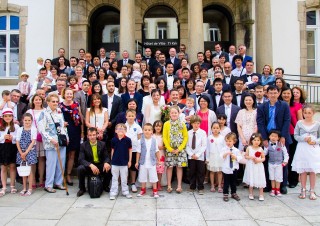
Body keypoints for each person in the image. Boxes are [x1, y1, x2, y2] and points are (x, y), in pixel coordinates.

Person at [257, 85, 291, 194]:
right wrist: (264, 138)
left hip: (281, 136)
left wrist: (283, 136)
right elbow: (260, 122)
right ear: (267, 94)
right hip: (267, 136)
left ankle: (282, 185)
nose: (273, 95)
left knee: (282, 162)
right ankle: (268, 184)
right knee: (267, 161)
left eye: (275, 92)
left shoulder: (284, 105)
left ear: (278, 93)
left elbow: (287, 120)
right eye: (270, 93)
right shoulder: (262, 107)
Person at [38, 94, 68, 193]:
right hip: (51, 143)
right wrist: (50, 139)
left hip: (61, 141)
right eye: (53, 101)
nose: (55, 103)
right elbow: (42, 129)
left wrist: (66, 137)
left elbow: (63, 126)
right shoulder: (44, 113)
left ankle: (58, 182)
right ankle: (49, 184)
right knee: (51, 164)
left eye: (56, 101)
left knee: (61, 163)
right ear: (48, 102)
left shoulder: (59, 111)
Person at [292, 105, 320, 200]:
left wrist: (315, 141)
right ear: (303, 113)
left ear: (313, 113)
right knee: (303, 170)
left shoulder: (317, 124)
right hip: (302, 148)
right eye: (305, 113)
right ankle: (303, 189)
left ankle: (312, 190)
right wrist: (303, 138)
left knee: (312, 171)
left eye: (309, 113)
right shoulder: (299, 123)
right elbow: (296, 135)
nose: (307, 115)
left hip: (313, 148)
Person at [77, 127, 111, 197]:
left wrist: (106, 162)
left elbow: (107, 157)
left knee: (109, 167)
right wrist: (90, 165)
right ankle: (82, 188)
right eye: (90, 135)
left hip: (99, 165)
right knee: (80, 168)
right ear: (87, 136)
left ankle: (105, 186)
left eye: (93, 135)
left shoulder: (102, 144)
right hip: (89, 167)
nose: (92, 137)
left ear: (96, 135)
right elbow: (81, 159)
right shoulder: (83, 145)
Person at [59, 88, 83, 185]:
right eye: (67, 94)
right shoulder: (60, 106)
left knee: (72, 154)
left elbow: (80, 118)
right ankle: (60, 175)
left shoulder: (76, 104)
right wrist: (61, 123)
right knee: (63, 154)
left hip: (75, 130)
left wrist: (82, 131)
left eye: (70, 94)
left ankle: (68, 174)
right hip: (63, 131)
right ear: (64, 94)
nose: (69, 95)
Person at [280, 87, 303, 188]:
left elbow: (300, 121)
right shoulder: (279, 105)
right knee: (283, 158)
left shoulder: (297, 106)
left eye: (288, 93)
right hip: (282, 135)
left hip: (293, 134)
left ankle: (293, 180)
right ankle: (282, 180)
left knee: (293, 157)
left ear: (291, 95)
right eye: (284, 93)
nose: (286, 95)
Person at [163, 106, 188, 193]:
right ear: (169, 114)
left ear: (178, 113)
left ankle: (179, 186)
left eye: (175, 113)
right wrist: (169, 148)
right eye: (172, 113)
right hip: (170, 150)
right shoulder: (166, 124)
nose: (174, 114)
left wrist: (179, 148)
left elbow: (185, 137)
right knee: (169, 167)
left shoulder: (182, 124)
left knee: (179, 167)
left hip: (180, 150)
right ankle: (169, 185)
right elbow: (165, 138)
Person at [135, 123, 161, 198]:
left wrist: (159, 160)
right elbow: (138, 152)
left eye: (149, 130)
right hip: (143, 162)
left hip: (152, 162)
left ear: (152, 131)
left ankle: (155, 191)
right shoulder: (140, 141)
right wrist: (137, 162)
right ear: (143, 131)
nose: (147, 131)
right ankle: (143, 189)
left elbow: (157, 150)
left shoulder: (154, 140)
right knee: (143, 176)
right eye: (145, 130)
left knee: (153, 177)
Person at [26, 94, 46, 188]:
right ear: (33, 101)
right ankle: (33, 179)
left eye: (39, 99)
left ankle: (41, 179)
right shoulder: (29, 111)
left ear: (42, 101)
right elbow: (26, 123)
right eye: (36, 99)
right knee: (32, 160)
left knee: (42, 158)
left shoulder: (45, 111)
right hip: (32, 137)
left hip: (42, 137)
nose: (38, 101)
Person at [16, 113, 37, 196]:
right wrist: (21, 152)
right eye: (25, 120)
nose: (27, 122)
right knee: (23, 170)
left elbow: (33, 141)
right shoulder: (20, 129)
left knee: (30, 171)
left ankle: (30, 188)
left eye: (29, 120)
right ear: (22, 121)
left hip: (30, 151)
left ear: (31, 121)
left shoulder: (33, 129)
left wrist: (26, 152)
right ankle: (24, 188)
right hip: (21, 152)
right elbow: (17, 141)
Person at [110, 123, 133, 200]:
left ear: (126, 131)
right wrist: (111, 161)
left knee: (124, 178)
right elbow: (112, 151)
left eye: (123, 128)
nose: (121, 130)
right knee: (114, 178)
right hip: (115, 163)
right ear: (115, 131)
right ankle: (113, 192)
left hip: (124, 163)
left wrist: (129, 161)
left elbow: (130, 151)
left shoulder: (128, 140)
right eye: (119, 128)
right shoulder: (113, 140)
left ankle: (125, 191)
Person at [0, 108, 19, 196]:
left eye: (9, 116)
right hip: (3, 147)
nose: (7, 118)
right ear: (3, 117)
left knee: (12, 166)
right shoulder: (1, 127)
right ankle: (4, 187)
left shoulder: (16, 127)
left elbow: (18, 138)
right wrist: (4, 137)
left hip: (12, 147)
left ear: (12, 117)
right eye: (6, 116)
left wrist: (13, 138)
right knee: (3, 167)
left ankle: (12, 185)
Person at [186, 115, 207, 195]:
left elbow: (204, 145)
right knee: (192, 171)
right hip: (191, 156)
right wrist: (191, 154)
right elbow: (187, 145)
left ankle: (200, 187)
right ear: (191, 123)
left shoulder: (203, 133)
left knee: (200, 172)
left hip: (200, 156)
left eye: (198, 123)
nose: (196, 125)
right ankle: (192, 186)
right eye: (194, 123)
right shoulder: (188, 133)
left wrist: (197, 154)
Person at [264, 130, 289, 197]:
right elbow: (264, 153)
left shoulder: (281, 144)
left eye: (275, 136)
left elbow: (285, 153)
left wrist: (285, 161)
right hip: (271, 163)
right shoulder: (267, 145)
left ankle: (277, 189)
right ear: (269, 136)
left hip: (279, 163)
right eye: (272, 136)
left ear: (278, 138)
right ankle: (273, 189)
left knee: (278, 177)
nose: (273, 138)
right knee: (272, 177)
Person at [243, 133, 266, 201]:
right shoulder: (249, 148)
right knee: (251, 178)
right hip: (251, 165)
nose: (256, 142)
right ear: (251, 141)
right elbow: (246, 156)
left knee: (260, 178)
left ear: (260, 141)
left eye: (258, 140)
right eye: (255, 140)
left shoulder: (260, 149)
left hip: (258, 166)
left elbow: (263, 158)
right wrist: (251, 157)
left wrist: (259, 160)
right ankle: (251, 193)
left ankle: (261, 194)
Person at [125, 109, 142, 193]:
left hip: (134, 150)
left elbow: (139, 138)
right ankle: (124, 183)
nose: (131, 117)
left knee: (133, 167)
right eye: (129, 116)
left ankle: (133, 183)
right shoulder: (123, 126)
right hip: (125, 150)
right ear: (126, 116)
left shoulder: (137, 127)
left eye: (132, 116)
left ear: (135, 116)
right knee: (124, 166)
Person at [220, 132, 242, 202]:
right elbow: (221, 157)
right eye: (227, 141)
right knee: (226, 182)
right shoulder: (224, 149)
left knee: (233, 182)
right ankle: (225, 193)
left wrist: (235, 157)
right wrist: (226, 154)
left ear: (234, 141)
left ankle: (233, 193)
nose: (228, 142)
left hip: (234, 168)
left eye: (230, 141)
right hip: (226, 169)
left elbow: (240, 158)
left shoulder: (236, 150)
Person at [207, 122, 225, 193]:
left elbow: (224, 148)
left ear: (220, 129)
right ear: (211, 129)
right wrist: (207, 158)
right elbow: (207, 149)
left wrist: (224, 157)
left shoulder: (222, 138)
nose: (215, 130)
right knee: (212, 171)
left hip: (219, 157)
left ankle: (219, 185)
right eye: (214, 128)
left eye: (217, 128)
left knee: (219, 172)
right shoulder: (209, 137)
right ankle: (212, 185)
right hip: (212, 156)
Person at [153, 120, 165, 191]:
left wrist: (162, 147)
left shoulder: (163, 136)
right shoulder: (152, 136)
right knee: (154, 170)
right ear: (154, 127)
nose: (158, 127)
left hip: (161, 155)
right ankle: (154, 183)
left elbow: (165, 145)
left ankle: (159, 183)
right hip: (153, 155)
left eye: (160, 126)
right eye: (156, 126)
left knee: (160, 170)